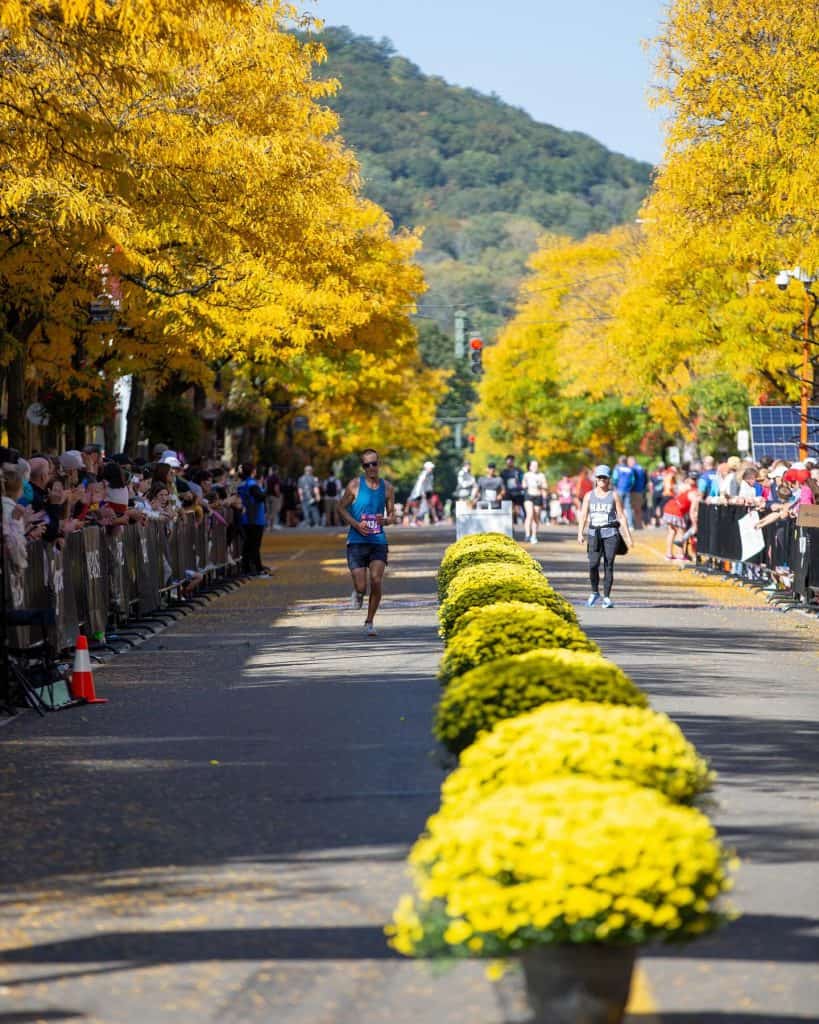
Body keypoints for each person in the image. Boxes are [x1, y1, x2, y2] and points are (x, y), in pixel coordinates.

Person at [338, 448, 395, 638]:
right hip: (356, 541)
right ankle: (358, 593)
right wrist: (355, 524)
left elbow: (392, 515)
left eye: (374, 463)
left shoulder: (387, 488)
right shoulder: (354, 485)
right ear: (363, 467)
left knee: (376, 581)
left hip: (378, 541)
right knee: (361, 586)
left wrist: (385, 521)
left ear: (379, 464)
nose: (371, 468)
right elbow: (341, 507)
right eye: (367, 465)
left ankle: (369, 621)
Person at [576, 464, 633, 608]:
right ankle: (595, 592)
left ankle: (607, 597)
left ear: (608, 480)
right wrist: (580, 534)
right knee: (593, 564)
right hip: (594, 534)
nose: (602, 480)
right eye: (599, 477)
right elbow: (583, 515)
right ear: (596, 479)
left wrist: (628, 537)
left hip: (611, 534)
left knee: (608, 565)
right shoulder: (589, 496)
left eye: (604, 478)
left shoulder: (613, 495)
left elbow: (621, 515)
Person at [237, 464, 268, 575]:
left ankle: (250, 567)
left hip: (247, 518)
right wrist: (264, 490)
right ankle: (254, 568)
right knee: (254, 545)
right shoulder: (252, 484)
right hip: (254, 518)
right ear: (253, 471)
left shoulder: (244, 483)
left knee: (249, 544)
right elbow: (260, 497)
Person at [521, 459, 547, 543]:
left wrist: (540, 485)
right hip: (528, 496)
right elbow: (523, 484)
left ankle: (534, 536)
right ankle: (527, 534)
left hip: (538, 496)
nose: (535, 467)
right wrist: (526, 486)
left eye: (536, 465)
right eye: (533, 465)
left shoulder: (541, 475)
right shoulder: (526, 475)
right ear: (530, 467)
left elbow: (545, 485)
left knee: (536, 517)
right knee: (530, 514)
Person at [500, 455, 524, 523]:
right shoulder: (503, 472)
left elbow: (523, 480)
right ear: (506, 462)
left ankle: (516, 519)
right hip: (508, 493)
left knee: (517, 509)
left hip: (517, 492)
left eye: (511, 461)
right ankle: (511, 521)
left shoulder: (518, 471)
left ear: (513, 461)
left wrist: (520, 486)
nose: (510, 462)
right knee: (509, 508)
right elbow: (501, 482)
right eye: (508, 461)